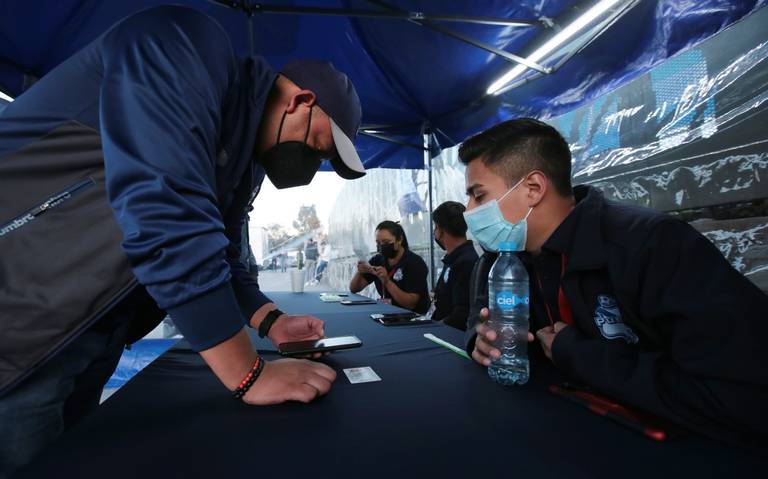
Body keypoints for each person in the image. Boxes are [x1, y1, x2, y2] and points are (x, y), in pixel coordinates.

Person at [0, 6, 368, 474]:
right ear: (302, 100)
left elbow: (225, 251)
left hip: (91, 327)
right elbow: (165, 211)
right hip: (19, 319)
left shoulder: (242, 159)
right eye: (318, 147)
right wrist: (248, 374)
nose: (311, 166)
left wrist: (270, 320)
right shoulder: (179, 45)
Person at [460, 118, 768, 449]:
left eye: (479, 196)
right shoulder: (505, 259)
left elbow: (743, 397)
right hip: (555, 439)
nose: (469, 210)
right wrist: (482, 343)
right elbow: (481, 320)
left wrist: (579, 355)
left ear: (533, 188)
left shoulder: (653, 245)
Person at [350, 221, 430, 313]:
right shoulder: (377, 260)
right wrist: (360, 271)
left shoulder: (415, 263)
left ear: (399, 240)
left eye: (386, 242)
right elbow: (354, 289)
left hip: (413, 318)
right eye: (378, 242)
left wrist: (387, 281)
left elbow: (410, 304)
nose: (381, 246)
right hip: (388, 314)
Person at [431, 201, 478, 330]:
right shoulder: (454, 258)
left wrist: (434, 329)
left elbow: (462, 313)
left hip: (451, 337)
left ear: (440, 230)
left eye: (435, 227)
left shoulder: (466, 262)